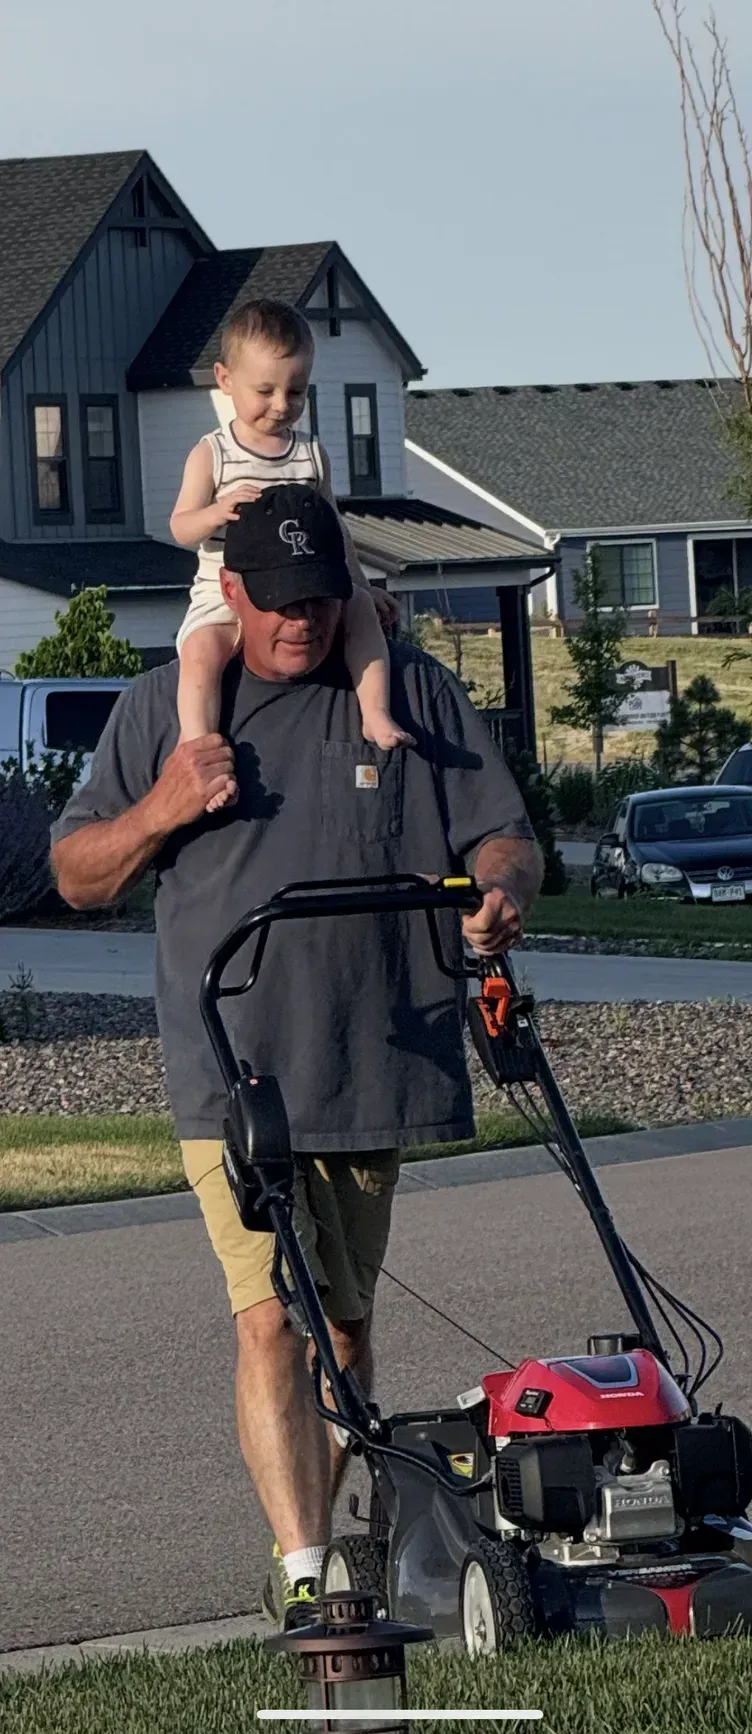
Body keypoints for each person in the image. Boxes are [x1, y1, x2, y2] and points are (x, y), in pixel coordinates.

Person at [51, 484, 543, 1632]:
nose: (297, 624)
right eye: (275, 603)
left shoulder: (408, 693)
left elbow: (501, 835)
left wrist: (499, 896)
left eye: (318, 600)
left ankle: (340, 1553)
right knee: (274, 1316)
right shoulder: (168, 709)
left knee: (347, 1322)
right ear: (230, 593)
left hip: (378, 1054)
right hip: (233, 1071)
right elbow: (77, 874)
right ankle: (306, 1571)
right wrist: (165, 805)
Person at [169, 295, 411, 811]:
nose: (281, 405)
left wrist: (362, 583)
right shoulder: (212, 452)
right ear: (224, 378)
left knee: (362, 613)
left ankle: (374, 711)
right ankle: (199, 749)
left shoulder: (310, 454)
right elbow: (180, 526)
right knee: (200, 656)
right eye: (265, 390)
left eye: (296, 391)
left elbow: (332, 527)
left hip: (305, 582)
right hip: (225, 587)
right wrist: (217, 512)